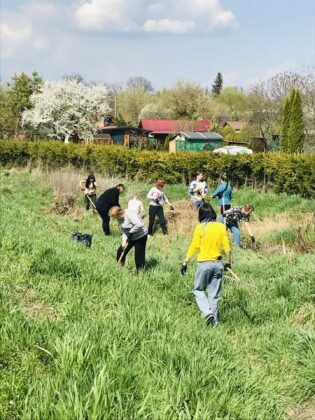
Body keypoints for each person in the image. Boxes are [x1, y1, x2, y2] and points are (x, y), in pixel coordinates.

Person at [180, 202, 231, 327]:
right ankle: (214, 324)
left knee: (198, 290)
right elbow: (227, 247)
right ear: (213, 213)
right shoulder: (221, 227)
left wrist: (185, 261)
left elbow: (194, 246)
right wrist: (228, 263)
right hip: (218, 264)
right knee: (214, 296)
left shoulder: (200, 227)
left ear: (201, 214)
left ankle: (207, 313)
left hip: (204, 264)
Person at [110, 206, 148, 272]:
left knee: (139, 256)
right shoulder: (119, 218)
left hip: (140, 235)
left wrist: (131, 232)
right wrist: (124, 241)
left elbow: (139, 224)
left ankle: (140, 274)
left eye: (114, 217)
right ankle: (120, 269)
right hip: (130, 236)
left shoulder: (129, 213)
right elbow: (124, 231)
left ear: (119, 213)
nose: (114, 218)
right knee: (120, 251)